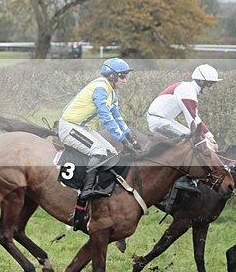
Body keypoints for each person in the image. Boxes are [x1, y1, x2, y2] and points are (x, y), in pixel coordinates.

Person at [58, 57, 140, 230]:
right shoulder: (101, 88)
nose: (125, 80)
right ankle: (86, 190)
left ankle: (100, 189)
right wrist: (121, 139)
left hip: (81, 127)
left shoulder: (111, 91)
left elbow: (117, 116)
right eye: (123, 76)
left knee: (111, 152)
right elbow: (105, 117)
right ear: (112, 76)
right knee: (98, 151)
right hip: (69, 126)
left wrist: (129, 135)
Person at [146, 64, 222, 206]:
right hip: (160, 121)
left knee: (197, 142)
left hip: (162, 120)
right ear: (201, 82)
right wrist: (206, 141)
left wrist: (210, 137)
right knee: (195, 144)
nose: (210, 88)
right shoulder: (187, 90)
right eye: (210, 84)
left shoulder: (188, 89)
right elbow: (192, 120)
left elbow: (195, 118)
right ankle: (186, 181)